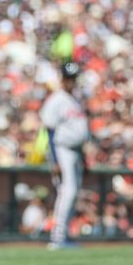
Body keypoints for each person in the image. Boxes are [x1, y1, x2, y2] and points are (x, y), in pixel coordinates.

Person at [39, 61, 89, 249]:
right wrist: (55, 159)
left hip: (75, 151)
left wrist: (85, 159)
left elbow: (80, 132)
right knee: (67, 192)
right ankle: (58, 237)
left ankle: (64, 235)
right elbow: (49, 130)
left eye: (74, 78)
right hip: (62, 149)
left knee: (73, 193)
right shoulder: (57, 99)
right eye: (69, 78)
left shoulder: (74, 99)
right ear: (62, 78)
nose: (71, 82)